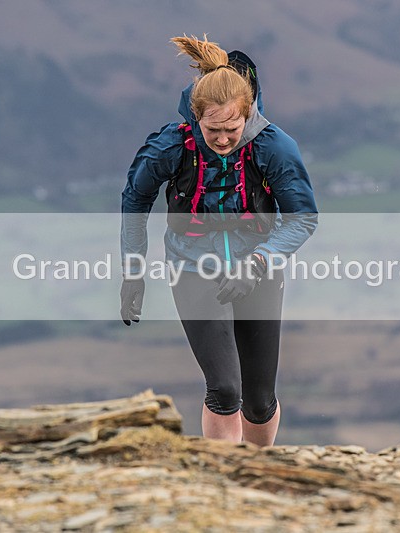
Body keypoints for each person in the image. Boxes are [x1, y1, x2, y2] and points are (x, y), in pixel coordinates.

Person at [120, 35, 317, 446]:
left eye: (232, 128)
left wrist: (259, 262)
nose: (224, 139)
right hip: (192, 264)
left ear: (248, 113)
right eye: (213, 130)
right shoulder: (171, 146)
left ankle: (260, 472)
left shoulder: (274, 147)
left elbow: (302, 218)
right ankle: (225, 482)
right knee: (226, 390)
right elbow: (135, 199)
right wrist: (133, 272)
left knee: (259, 399)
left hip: (258, 262)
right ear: (197, 117)